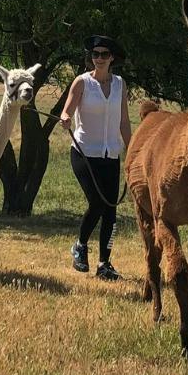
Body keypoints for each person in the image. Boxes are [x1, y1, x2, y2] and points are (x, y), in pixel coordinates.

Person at [59, 34, 132, 280]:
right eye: (95, 54)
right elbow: (67, 110)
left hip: (111, 154)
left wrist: (132, 150)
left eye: (103, 54)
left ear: (112, 58)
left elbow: (123, 121)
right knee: (97, 203)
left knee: (110, 210)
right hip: (84, 152)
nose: (98, 59)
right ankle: (80, 246)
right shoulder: (81, 83)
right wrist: (66, 118)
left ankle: (105, 264)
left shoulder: (120, 85)